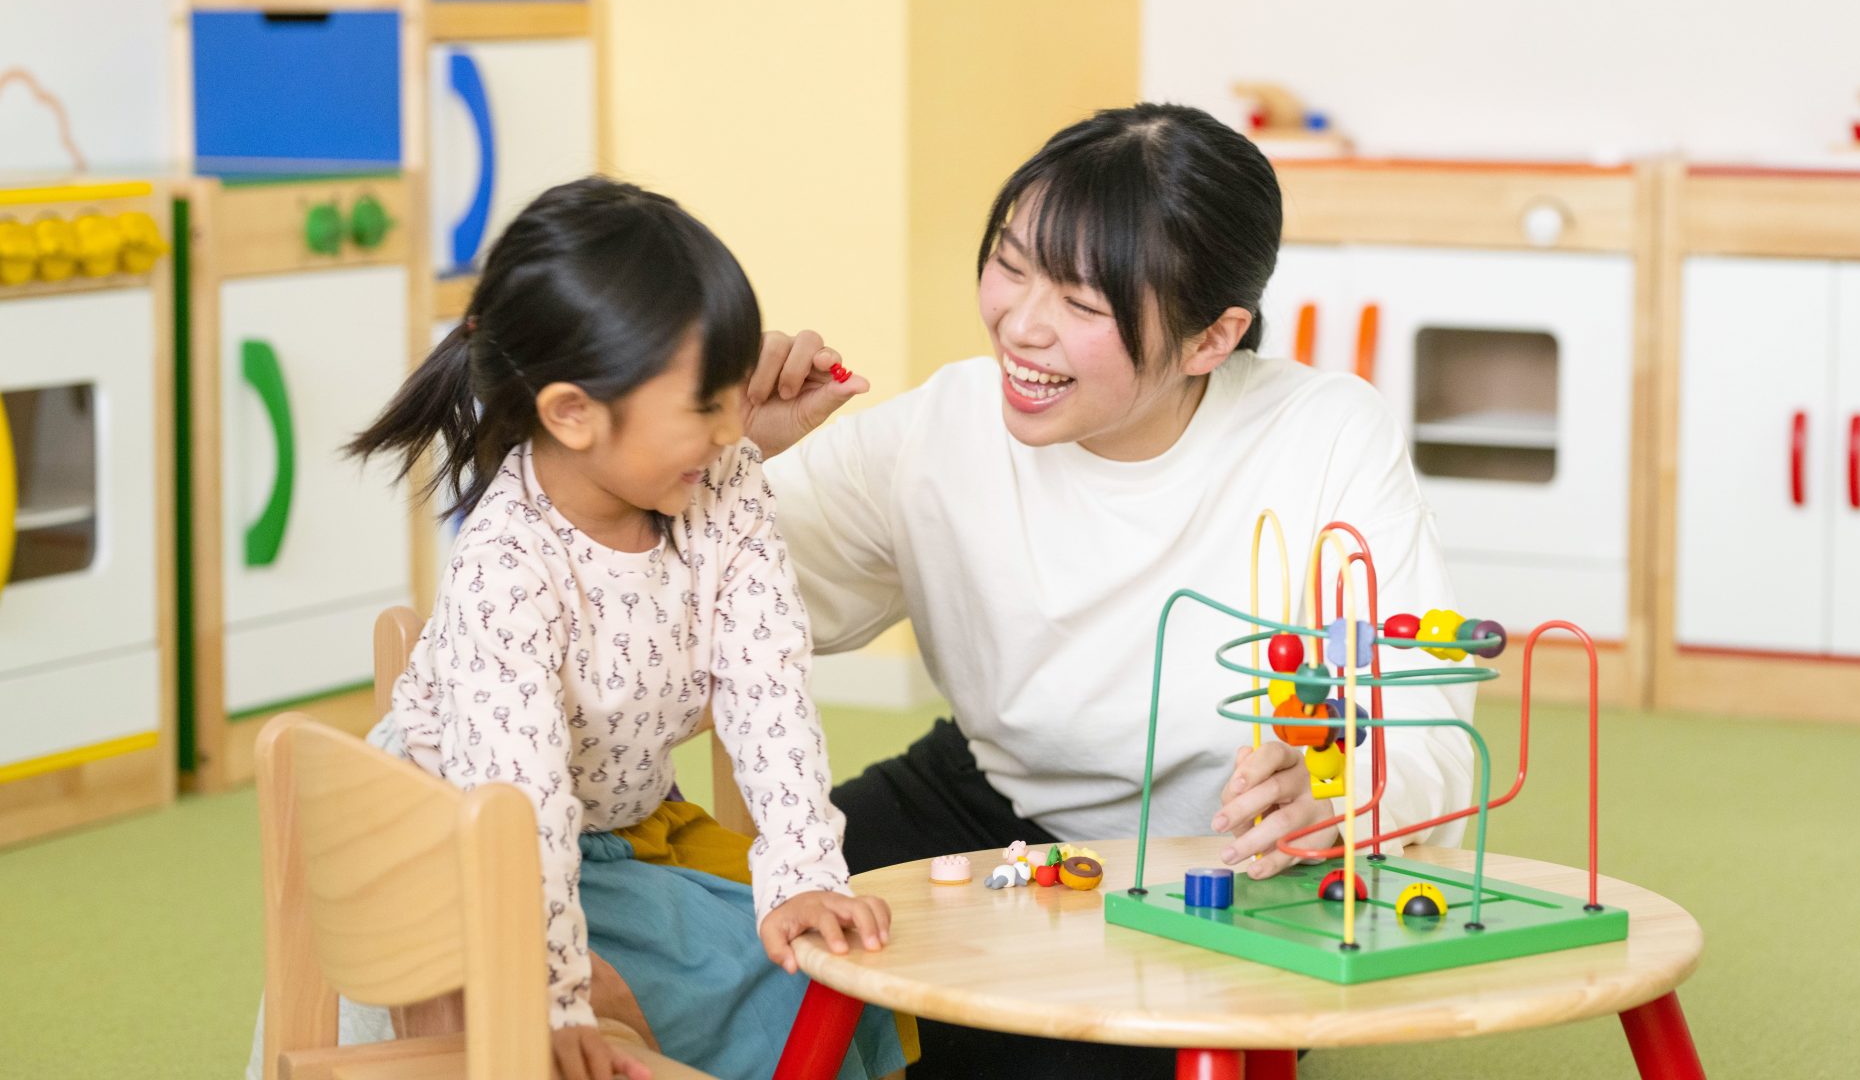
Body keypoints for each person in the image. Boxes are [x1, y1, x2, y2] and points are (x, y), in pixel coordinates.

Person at [740, 103, 1476, 1077]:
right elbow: (708, 608)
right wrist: (723, 453)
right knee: (734, 953)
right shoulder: (944, 424)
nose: (1022, 323)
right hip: (985, 795)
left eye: (1084, 306)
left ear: (1213, 337)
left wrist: (1339, 796)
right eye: (1010, 262)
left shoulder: (1325, 435)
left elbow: (1422, 718)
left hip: (1224, 864)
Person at [344, 177, 909, 1080]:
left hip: (615, 837)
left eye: (734, 395)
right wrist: (552, 995)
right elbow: (518, 809)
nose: (736, 431)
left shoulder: (725, 486)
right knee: (762, 982)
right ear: (572, 413)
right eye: (705, 406)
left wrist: (806, 870)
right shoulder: (508, 565)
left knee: (837, 966)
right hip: (465, 862)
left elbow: (768, 690)